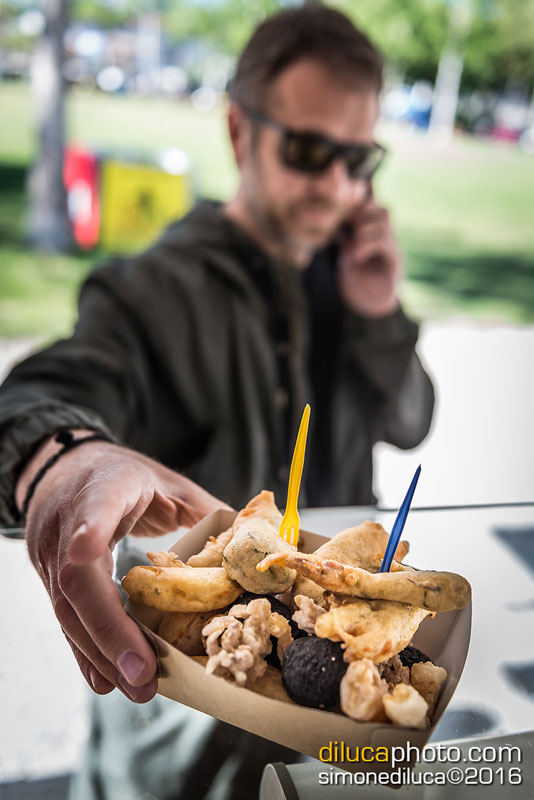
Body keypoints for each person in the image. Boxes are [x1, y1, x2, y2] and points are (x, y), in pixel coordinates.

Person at [0, 5, 434, 798]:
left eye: (358, 159)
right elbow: (50, 387)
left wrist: (379, 313)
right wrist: (66, 460)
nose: (337, 186)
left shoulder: (352, 277)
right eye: (310, 151)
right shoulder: (151, 288)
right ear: (240, 132)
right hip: (185, 715)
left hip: (336, 700)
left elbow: (411, 420)